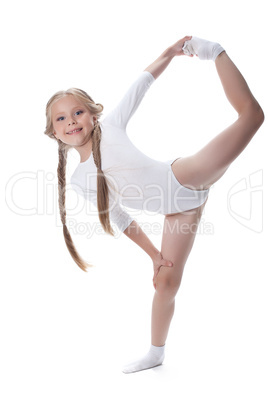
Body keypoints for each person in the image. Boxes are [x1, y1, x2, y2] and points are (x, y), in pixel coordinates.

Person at [44, 36, 264, 373]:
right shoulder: (80, 180)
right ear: (53, 133)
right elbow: (119, 216)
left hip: (184, 177)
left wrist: (169, 54)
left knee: (251, 117)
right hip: (180, 212)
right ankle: (155, 353)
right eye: (60, 119)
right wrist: (154, 256)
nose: (71, 121)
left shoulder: (112, 126)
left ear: (93, 114)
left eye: (77, 112)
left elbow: (140, 85)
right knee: (165, 282)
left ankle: (215, 51)